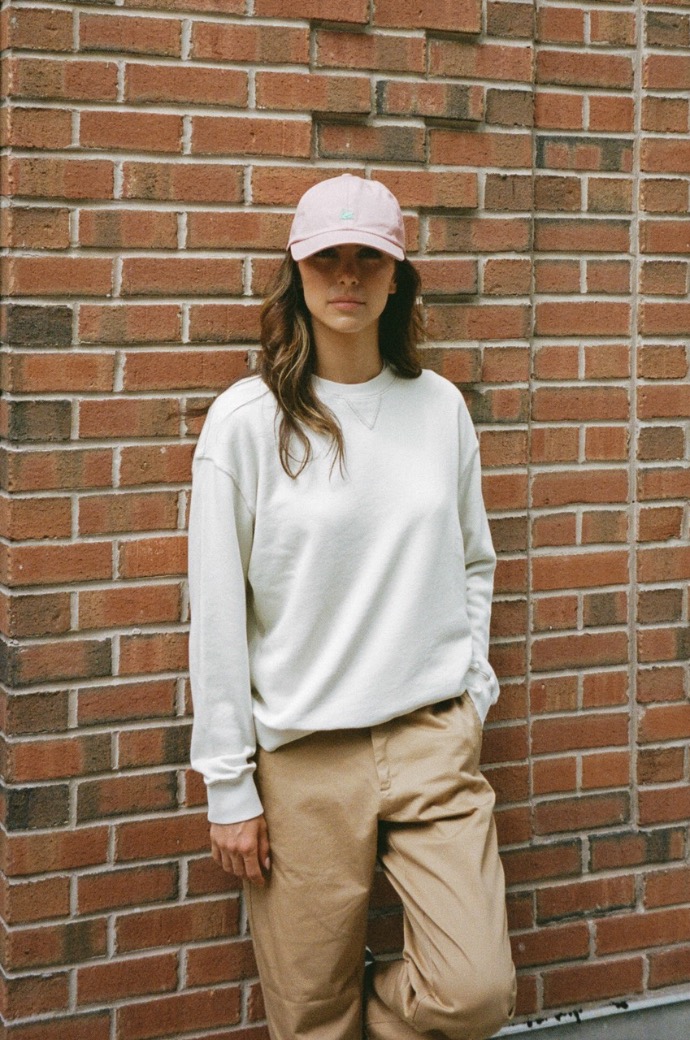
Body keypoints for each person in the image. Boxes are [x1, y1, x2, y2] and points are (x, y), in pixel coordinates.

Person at [188, 173, 516, 1040]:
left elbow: (474, 560)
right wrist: (229, 786)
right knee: (310, 1018)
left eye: (368, 258)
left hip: (431, 740)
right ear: (294, 272)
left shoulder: (439, 408)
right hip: (303, 758)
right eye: (325, 257)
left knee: (475, 990)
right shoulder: (246, 424)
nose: (346, 276)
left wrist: (472, 692)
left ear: (396, 276)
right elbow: (217, 614)